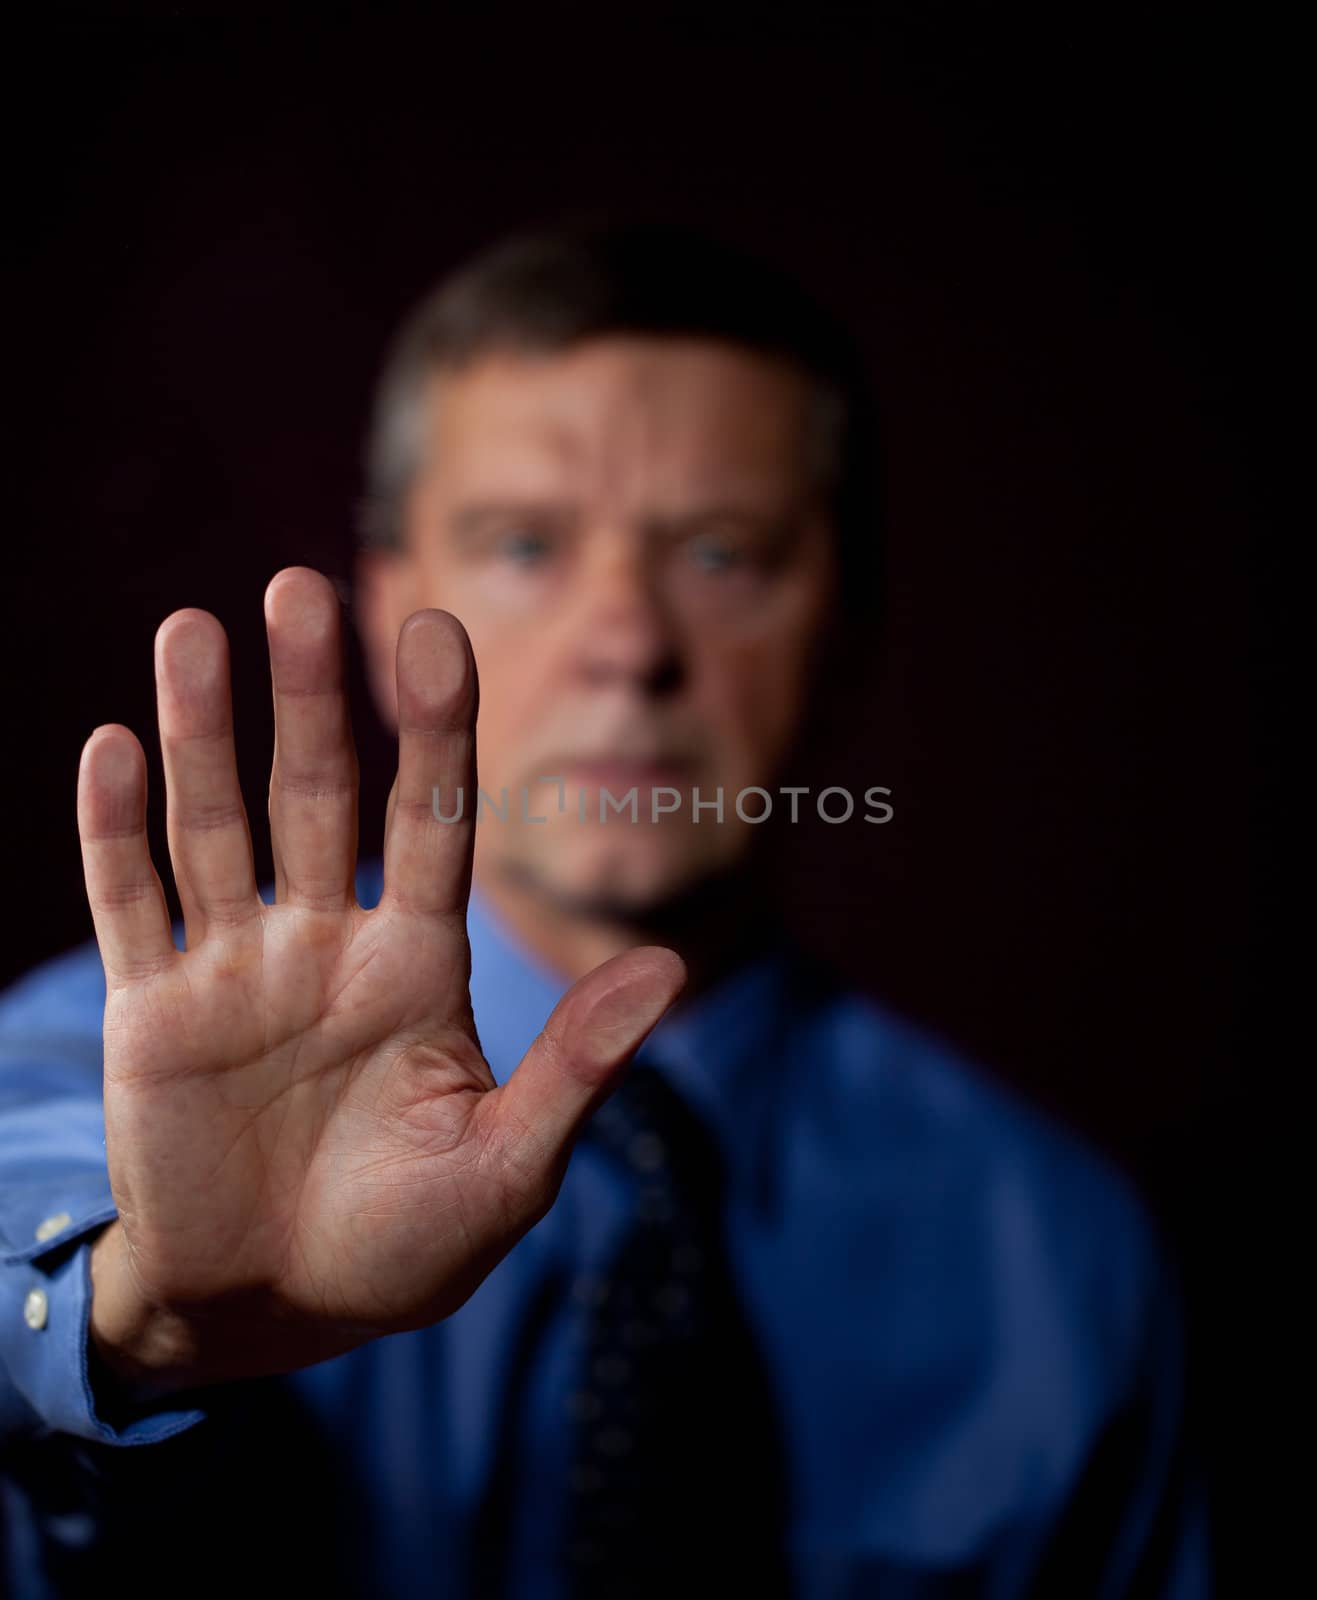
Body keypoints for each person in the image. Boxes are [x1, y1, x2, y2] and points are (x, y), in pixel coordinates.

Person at [0, 222, 1208, 1598]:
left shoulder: (1055, 1257)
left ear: (850, 622)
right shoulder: (94, 1069)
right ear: (394, 604)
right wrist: (153, 1320)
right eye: (523, 544)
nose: (627, 644)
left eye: (722, 554)